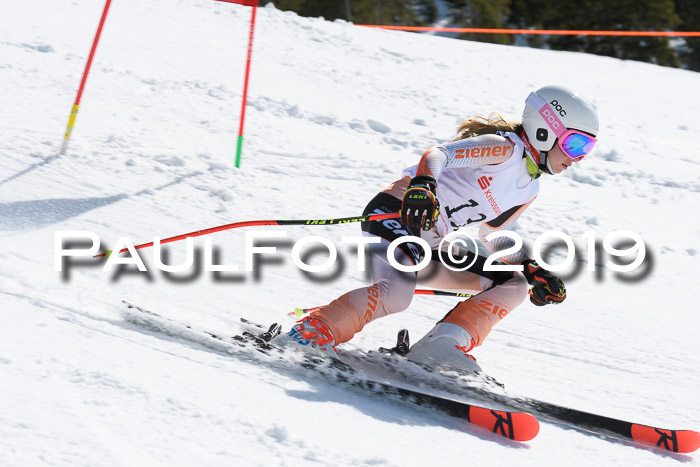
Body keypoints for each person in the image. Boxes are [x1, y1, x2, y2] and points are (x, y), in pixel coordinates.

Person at [287, 85, 599, 372]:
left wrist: (531, 267)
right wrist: (424, 186)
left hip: (432, 240)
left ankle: (440, 348)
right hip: (398, 213)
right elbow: (439, 154)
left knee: (513, 284)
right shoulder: (503, 148)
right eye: (575, 143)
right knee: (396, 294)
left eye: (588, 149)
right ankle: (311, 332)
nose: (578, 158)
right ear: (545, 130)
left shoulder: (529, 188)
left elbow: (491, 235)